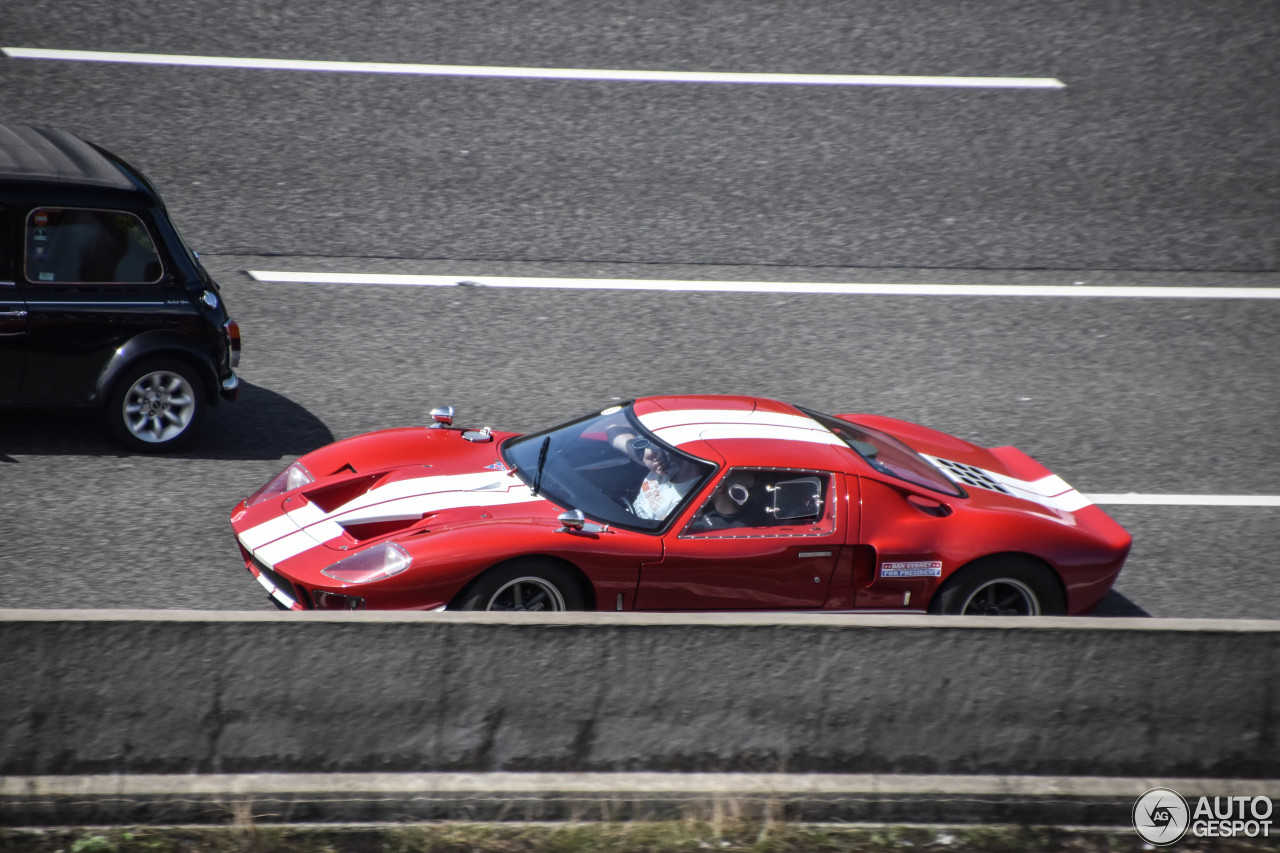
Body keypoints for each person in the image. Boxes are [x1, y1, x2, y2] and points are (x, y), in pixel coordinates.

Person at [607, 426, 701, 521]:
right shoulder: (666, 459)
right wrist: (642, 453)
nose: (665, 444)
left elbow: (659, 530)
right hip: (621, 513)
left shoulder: (689, 498)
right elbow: (613, 430)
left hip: (633, 527)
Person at [690, 469, 767, 530]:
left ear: (720, 487)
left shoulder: (735, 528)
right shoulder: (704, 508)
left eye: (710, 481)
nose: (704, 486)